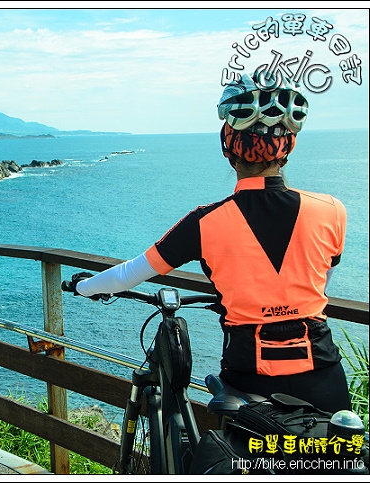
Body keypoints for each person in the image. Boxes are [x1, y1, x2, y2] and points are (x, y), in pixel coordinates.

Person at [63, 68, 351, 413]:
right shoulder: (332, 211)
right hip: (323, 375)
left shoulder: (205, 222)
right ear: (287, 145)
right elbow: (318, 285)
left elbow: (129, 274)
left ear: (228, 145)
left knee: (244, 463)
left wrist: (84, 287)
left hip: (249, 376)